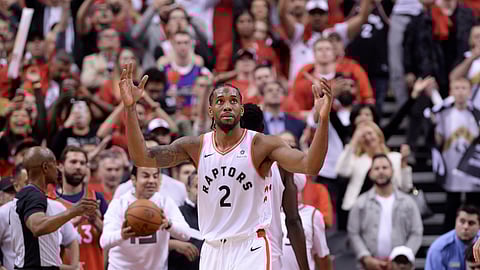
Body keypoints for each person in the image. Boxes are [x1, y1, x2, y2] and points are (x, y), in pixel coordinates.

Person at [120, 61, 332, 270]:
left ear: (241, 110)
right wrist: (130, 109)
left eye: (233, 101)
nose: (227, 105)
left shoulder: (262, 144)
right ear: (211, 110)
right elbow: (143, 158)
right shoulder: (195, 146)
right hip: (212, 248)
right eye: (220, 101)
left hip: (251, 246)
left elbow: (310, 166)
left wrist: (323, 121)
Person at [240, 103, 309, 270]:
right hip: (268, 255)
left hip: (229, 253)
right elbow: (292, 220)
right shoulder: (282, 164)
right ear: (263, 129)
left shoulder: (221, 162)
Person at [8, 146, 98, 269]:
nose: (57, 169)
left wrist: (72, 268)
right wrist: (74, 211)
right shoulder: (33, 195)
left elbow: (47, 258)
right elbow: (37, 226)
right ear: (45, 167)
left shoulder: (30, 194)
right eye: (54, 164)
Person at [100, 166, 191, 270]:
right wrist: (121, 235)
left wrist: (169, 225)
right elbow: (104, 242)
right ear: (134, 180)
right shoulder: (119, 203)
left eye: (155, 176)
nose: (151, 180)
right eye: (145, 176)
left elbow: (186, 235)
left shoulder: (165, 202)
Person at [348, 154, 422, 270]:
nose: (381, 171)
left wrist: (402, 257)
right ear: (370, 173)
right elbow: (353, 232)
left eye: (385, 167)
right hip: (369, 266)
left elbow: (416, 232)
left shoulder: (408, 202)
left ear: (392, 170)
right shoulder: (360, 203)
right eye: (376, 168)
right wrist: (366, 257)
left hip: (400, 266)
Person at [48, 146, 108, 270]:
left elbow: (112, 237)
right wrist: (69, 226)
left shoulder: (97, 197)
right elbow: (45, 243)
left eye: (82, 163)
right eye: (73, 162)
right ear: (60, 166)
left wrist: (96, 222)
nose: (78, 166)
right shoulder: (49, 201)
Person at [426, 205, 480, 270]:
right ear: (455, 222)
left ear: (479, 226)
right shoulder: (438, 249)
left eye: (471, 223)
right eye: (462, 221)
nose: (466, 227)